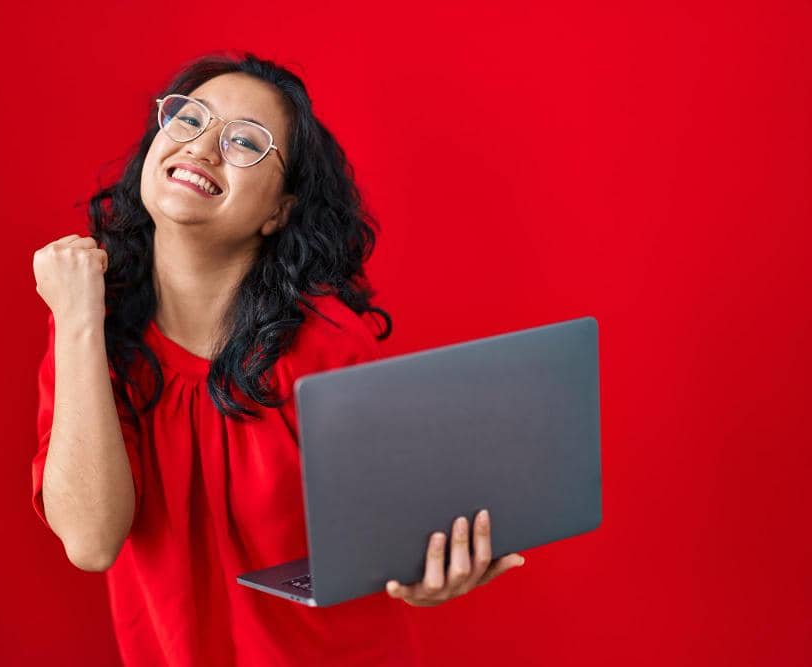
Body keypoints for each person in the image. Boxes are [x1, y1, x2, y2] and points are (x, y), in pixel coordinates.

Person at [30, 51, 525, 666]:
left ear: (279, 211)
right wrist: (79, 318)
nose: (202, 147)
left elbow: (396, 533)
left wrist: (425, 571)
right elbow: (91, 540)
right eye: (189, 119)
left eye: (244, 141)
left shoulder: (328, 347)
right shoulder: (89, 327)